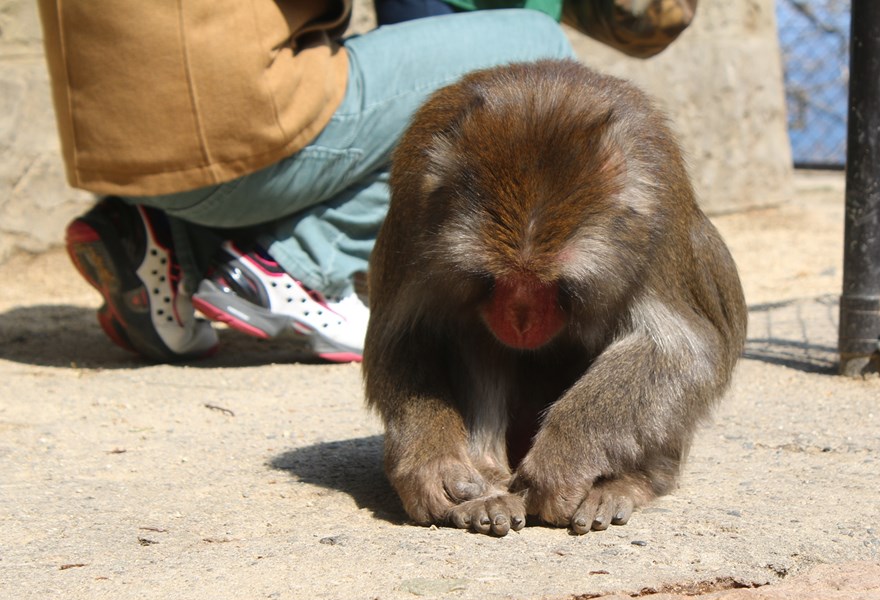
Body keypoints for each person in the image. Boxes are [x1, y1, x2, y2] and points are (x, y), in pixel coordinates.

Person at [38, 1, 574, 363]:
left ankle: (160, 241)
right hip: (225, 140)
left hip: (121, 149)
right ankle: (302, 263)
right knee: (534, 46)